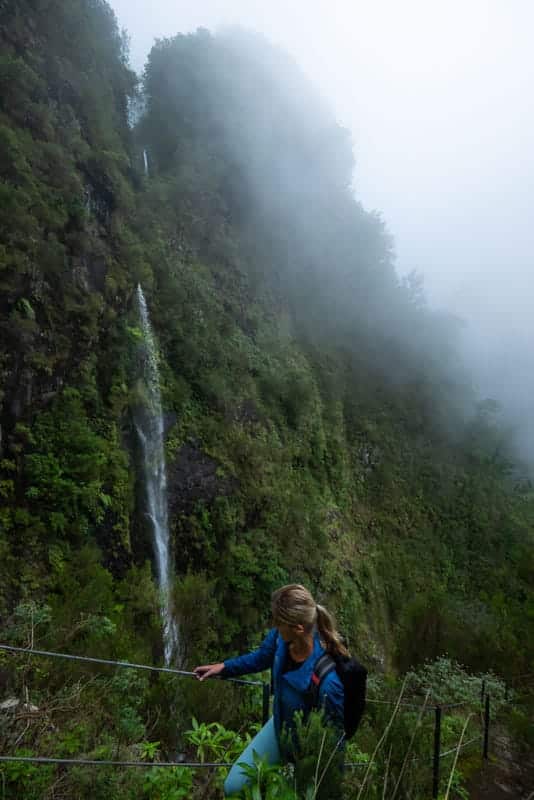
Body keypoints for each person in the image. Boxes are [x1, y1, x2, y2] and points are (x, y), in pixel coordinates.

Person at [194, 584, 346, 796]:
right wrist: (224, 667)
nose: (273, 624)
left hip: (307, 750)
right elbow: (260, 658)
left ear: (298, 628)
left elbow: (334, 743)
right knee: (233, 787)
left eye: (278, 621)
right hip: (279, 727)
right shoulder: (280, 638)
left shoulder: (328, 680)